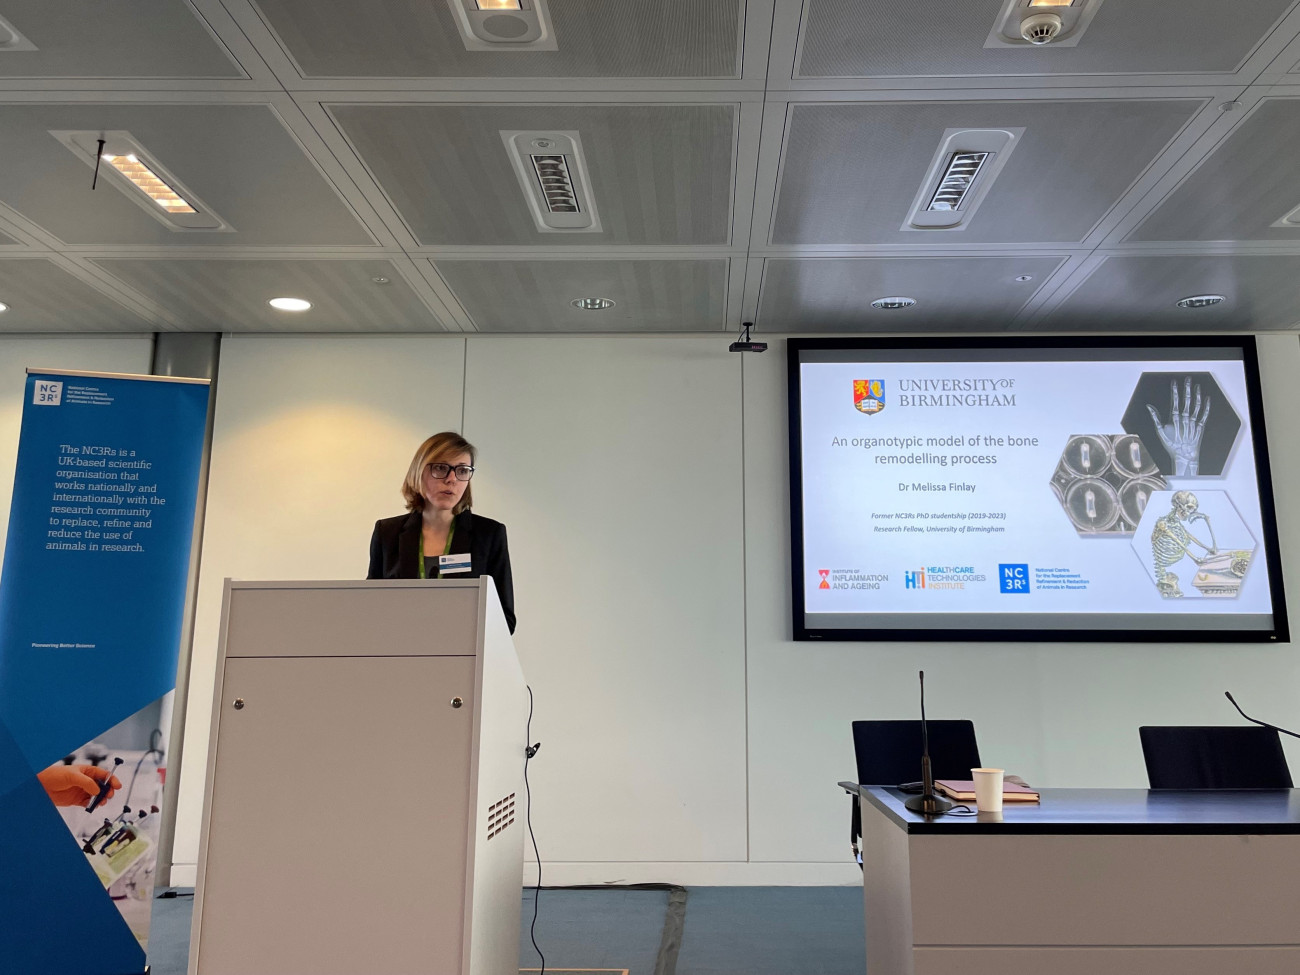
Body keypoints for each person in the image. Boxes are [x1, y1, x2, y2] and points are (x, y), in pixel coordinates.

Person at [368, 432, 515, 634]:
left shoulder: (489, 535)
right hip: (398, 651)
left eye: (462, 470)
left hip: (461, 656)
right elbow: (368, 608)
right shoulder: (387, 533)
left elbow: (505, 619)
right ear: (419, 471)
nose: (452, 479)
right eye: (441, 468)